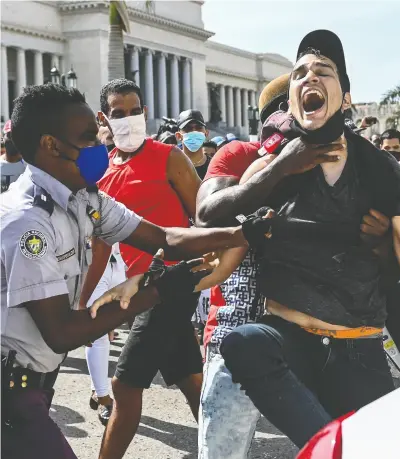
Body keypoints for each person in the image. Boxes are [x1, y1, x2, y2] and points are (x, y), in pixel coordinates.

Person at [219, 29, 400, 450]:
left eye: (322, 72)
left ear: (345, 97)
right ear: (290, 97)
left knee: (378, 448)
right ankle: (333, 449)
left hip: (358, 350)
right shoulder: (272, 169)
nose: (309, 78)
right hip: (287, 342)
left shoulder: (382, 171)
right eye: (299, 74)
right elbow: (221, 239)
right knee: (242, 344)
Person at [0, 83, 257, 459]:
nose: (98, 148)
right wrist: (156, 290)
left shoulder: (84, 196)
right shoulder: (28, 225)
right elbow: (61, 334)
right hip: (12, 397)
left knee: (186, 376)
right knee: (130, 385)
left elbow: (163, 237)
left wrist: (244, 231)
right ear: (51, 145)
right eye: (88, 138)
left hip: (31, 389)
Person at [91, 80, 205, 459]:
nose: (129, 119)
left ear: (145, 110)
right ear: (103, 118)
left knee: (123, 387)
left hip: (171, 283)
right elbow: (101, 242)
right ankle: (223, 448)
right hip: (133, 290)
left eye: (134, 110)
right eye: (118, 113)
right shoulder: (102, 170)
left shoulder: (170, 157)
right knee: (191, 378)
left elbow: (204, 216)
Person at [81, 244, 127, 425]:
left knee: (110, 329)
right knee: (97, 332)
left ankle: (96, 389)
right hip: (94, 260)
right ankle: (102, 397)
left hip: (122, 261)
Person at [175, 109, 210, 180]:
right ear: (179, 136)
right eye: (188, 128)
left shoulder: (214, 165)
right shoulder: (171, 166)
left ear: (206, 133)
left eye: (198, 128)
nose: (194, 131)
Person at [1, 120, 26, 192]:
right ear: (2, 138)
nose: (13, 139)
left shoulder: (29, 167)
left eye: (16, 136)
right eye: (9, 135)